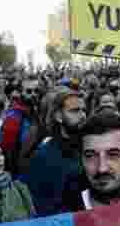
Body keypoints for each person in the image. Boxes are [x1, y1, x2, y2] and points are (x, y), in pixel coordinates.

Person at [61, 111, 120, 212]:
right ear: (81, 160)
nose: (102, 168)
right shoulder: (62, 217)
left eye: (113, 155)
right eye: (90, 156)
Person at [26, 88, 87, 216]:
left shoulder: (87, 147)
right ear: (58, 116)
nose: (82, 115)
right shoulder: (44, 157)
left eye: (83, 110)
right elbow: (45, 208)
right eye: (75, 111)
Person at [0, 76, 43, 179]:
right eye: (29, 91)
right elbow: (7, 152)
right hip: (20, 175)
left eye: (36, 91)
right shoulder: (13, 118)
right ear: (20, 93)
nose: (33, 94)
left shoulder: (36, 113)